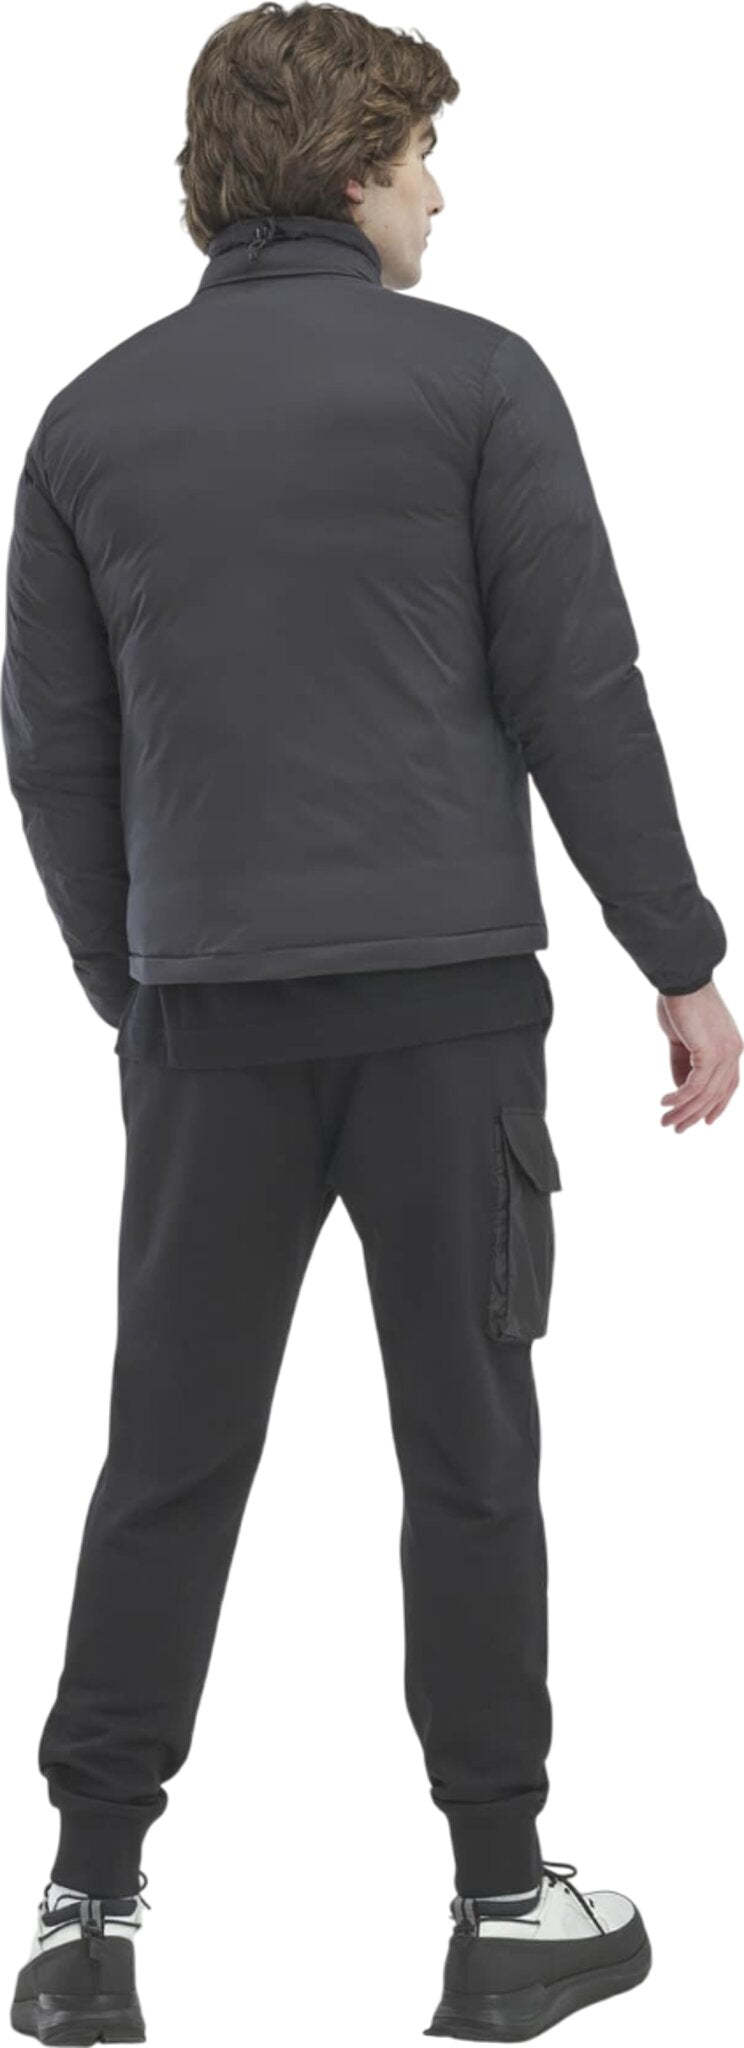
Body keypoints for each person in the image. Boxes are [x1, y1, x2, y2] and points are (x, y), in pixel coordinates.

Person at [2, 5, 739, 2041]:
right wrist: (679, 957)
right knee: (470, 1450)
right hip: (445, 1022)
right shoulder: (479, 380)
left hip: (207, 1025)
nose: (441, 195)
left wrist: (137, 988)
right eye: (422, 158)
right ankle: (504, 1904)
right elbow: (579, 688)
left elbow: (55, 755)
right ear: (353, 166)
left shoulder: (87, 421)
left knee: (167, 1454)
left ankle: (83, 1912)